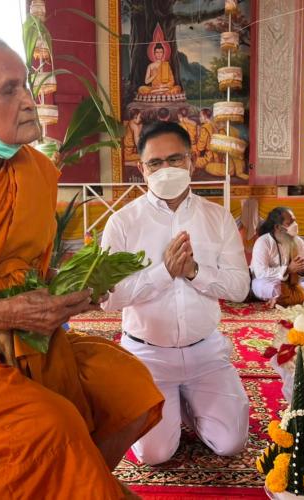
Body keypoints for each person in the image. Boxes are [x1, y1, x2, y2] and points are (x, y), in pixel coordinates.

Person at [0, 33, 164, 499]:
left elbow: (25, 272)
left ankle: (79, 484)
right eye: (9, 90)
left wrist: (71, 291)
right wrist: (1, 314)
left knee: (130, 387)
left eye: (25, 85)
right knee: (51, 427)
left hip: (23, 338)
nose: (28, 101)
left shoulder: (32, 171)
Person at [101, 121, 250, 465]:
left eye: (175, 159)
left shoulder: (217, 218)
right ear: (142, 169)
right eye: (155, 163)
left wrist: (194, 271)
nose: (165, 169)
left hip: (205, 352)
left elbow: (240, 288)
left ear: (191, 161)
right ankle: (176, 405)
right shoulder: (122, 223)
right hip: (147, 356)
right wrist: (163, 273)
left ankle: (188, 403)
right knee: (154, 454)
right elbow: (109, 299)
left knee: (231, 443)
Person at [250, 207, 304, 309]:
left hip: (294, 283)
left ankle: (281, 299)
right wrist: (288, 269)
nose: (295, 225)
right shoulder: (263, 242)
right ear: (277, 227)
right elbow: (260, 273)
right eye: (289, 223)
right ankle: (292, 298)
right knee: (262, 286)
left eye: (294, 221)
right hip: (270, 282)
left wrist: (302, 270)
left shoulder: (298, 241)